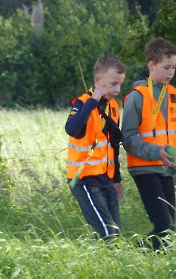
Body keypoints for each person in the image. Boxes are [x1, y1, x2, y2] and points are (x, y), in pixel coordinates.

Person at [121, 38, 176, 250]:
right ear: (151, 65)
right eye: (166, 67)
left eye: (174, 67)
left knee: (169, 230)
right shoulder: (136, 97)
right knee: (163, 225)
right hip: (144, 168)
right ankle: (132, 253)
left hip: (167, 169)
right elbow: (128, 138)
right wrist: (155, 152)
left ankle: (148, 258)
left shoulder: (174, 95)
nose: (171, 72)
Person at [65, 55, 126, 239]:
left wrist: (116, 179)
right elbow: (72, 129)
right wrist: (93, 101)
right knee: (109, 233)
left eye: (120, 85)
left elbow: (113, 146)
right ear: (98, 81)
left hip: (106, 179)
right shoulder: (82, 103)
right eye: (113, 84)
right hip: (84, 179)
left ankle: (99, 262)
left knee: (116, 233)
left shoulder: (113, 107)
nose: (117, 89)